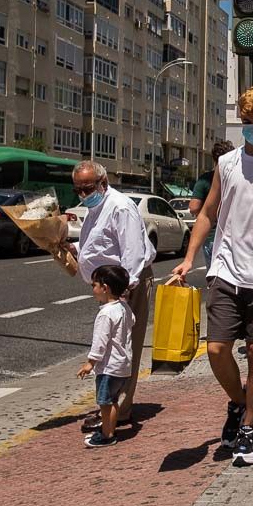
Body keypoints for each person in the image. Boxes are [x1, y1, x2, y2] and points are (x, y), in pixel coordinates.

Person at [170, 85, 253, 467]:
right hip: (226, 269)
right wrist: (189, 257)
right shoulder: (226, 164)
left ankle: (249, 428)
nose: (252, 129)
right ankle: (240, 402)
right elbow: (209, 212)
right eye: (247, 123)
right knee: (215, 349)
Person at [65, 161, 156, 430]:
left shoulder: (120, 206)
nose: (83, 194)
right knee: (111, 349)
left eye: (88, 188)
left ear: (103, 183)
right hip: (111, 287)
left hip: (125, 286)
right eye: (78, 189)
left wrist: (123, 294)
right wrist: (74, 247)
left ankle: (119, 410)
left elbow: (132, 253)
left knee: (123, 349)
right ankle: (110, 406)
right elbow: (100, 242)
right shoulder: (96, 207)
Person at [77, 265, 135, 448]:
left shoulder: (105, 314)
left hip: (109, 368)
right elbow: (133, 321)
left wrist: (90, 363)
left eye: (94, 285)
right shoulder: (124, 307)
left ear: (105, 287)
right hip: (123, 366)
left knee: (104, 403)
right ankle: (109, 429)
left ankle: (106, 435)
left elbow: (100, 342)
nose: (93, 289)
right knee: (113, 401)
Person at [190, 141, 233, 261]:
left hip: (211, 235)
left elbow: (193, 207)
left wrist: (208, 211)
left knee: (213, 276)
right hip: (234, 237)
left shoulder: (205, 179)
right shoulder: (237, 177)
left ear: (214, 159)